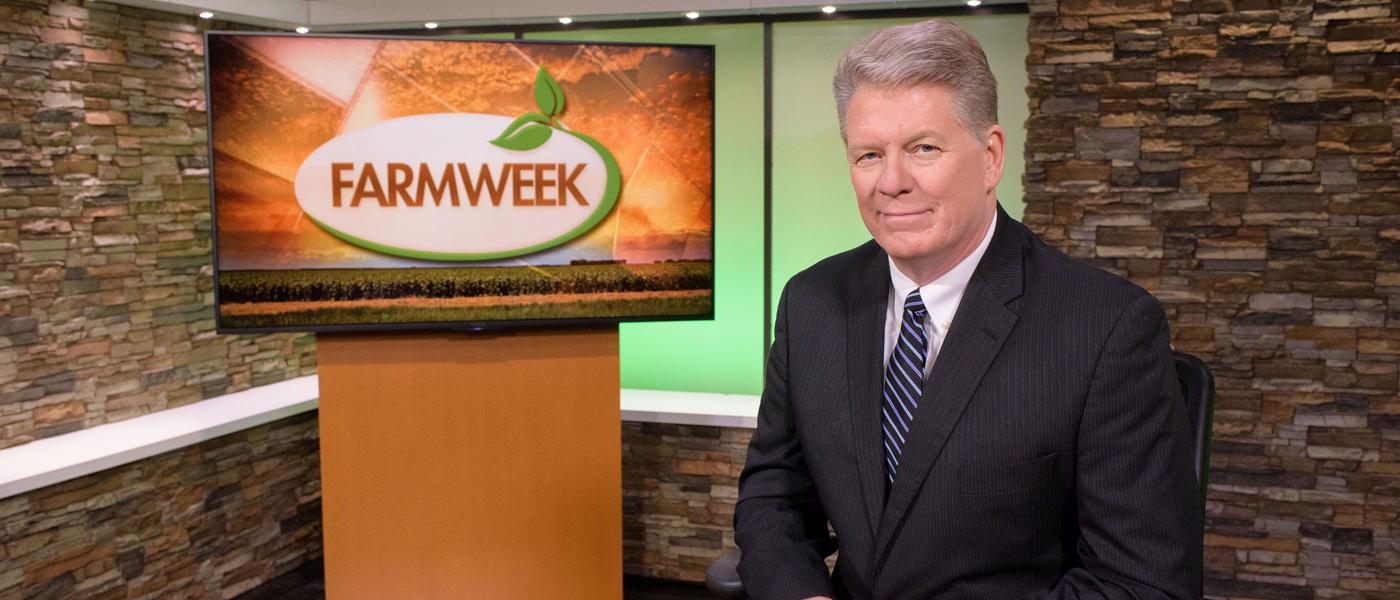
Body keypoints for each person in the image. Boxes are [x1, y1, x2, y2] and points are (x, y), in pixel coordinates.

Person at [733, 19, 1202, 599]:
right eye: (870, 155)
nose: (892, 182)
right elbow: (774, 500)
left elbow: (1138, 583)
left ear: (990, 157)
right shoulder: (811, 303)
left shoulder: (1106, 327)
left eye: (923, 148)